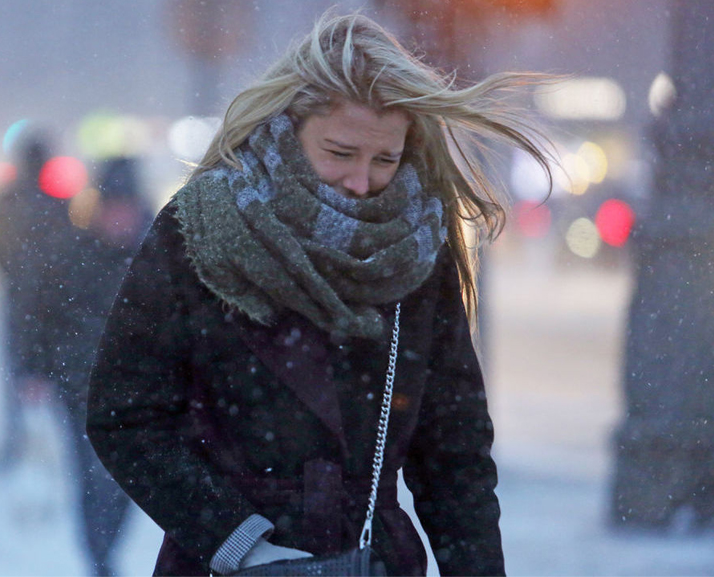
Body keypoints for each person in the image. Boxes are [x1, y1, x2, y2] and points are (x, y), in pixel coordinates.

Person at [86, 12, 551, 577]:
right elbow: (125, 416)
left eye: (385, 159)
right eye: (340, 152)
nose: (362, 181)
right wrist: (240, 542)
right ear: (289, 127)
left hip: (373, 563)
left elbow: (453, 454)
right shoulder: (203, 228)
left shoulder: (419, 245)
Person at [43, 157, 153, 576]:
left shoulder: (157, 256)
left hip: (139, 394)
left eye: (126, 209)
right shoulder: (73, 256)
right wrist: (40, 369)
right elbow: (44, 316)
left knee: (125, 484)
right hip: (81, 391)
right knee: (93, 478)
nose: (119, 219)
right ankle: (99, 559)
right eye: (113, 209)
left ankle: (105, 552)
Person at [0, 128, 73, 467]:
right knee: (51, 370)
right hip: (50, 301)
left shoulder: (4, 201)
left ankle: (19, 440)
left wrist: (12, 277)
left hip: (17, 298)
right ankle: (50, 444)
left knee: (16, 369)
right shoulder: (59, 205)